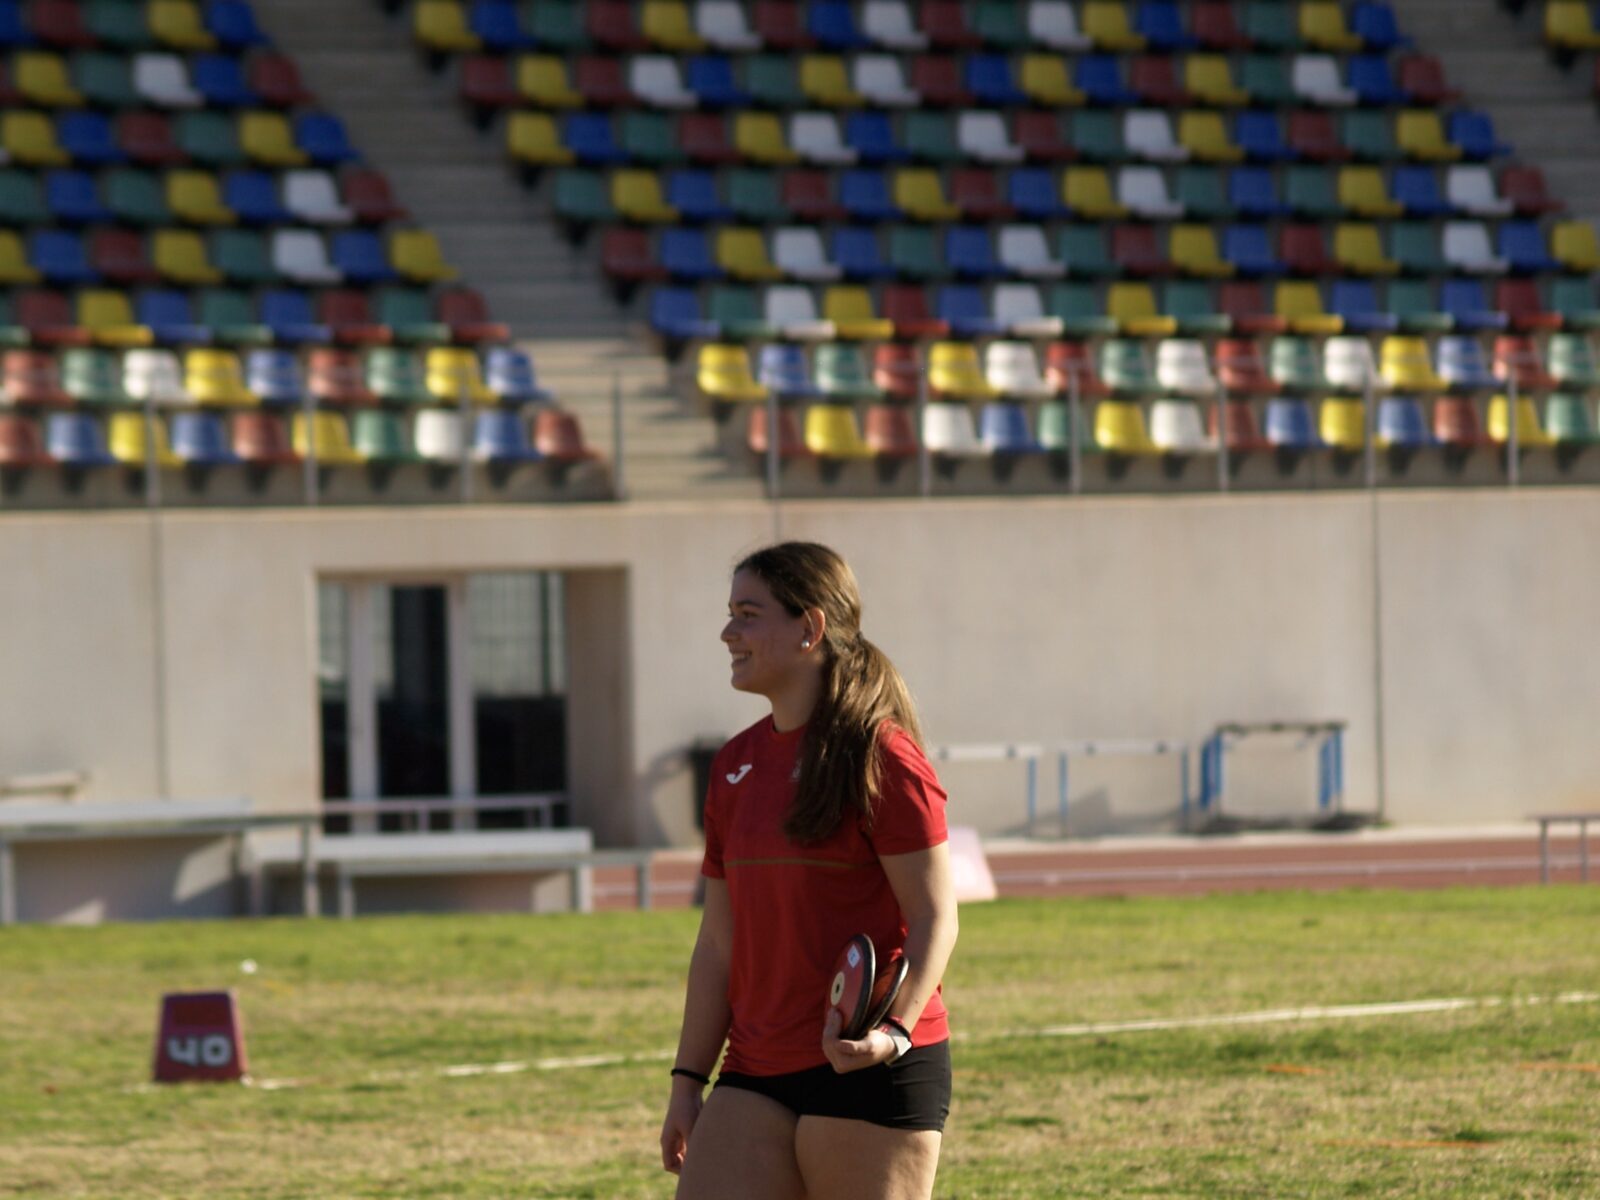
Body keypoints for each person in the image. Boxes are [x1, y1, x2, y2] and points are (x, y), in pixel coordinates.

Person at [660, 542, 959, 1200]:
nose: (727, 632)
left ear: (809, 628)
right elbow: (718, 943)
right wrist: (688, 1081)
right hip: (754, 1070)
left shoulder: (882, 756)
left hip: (866, 1067)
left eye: (748, 613)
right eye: (729, 613)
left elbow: (936, 915)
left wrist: (893, 1033)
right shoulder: (735, 767)